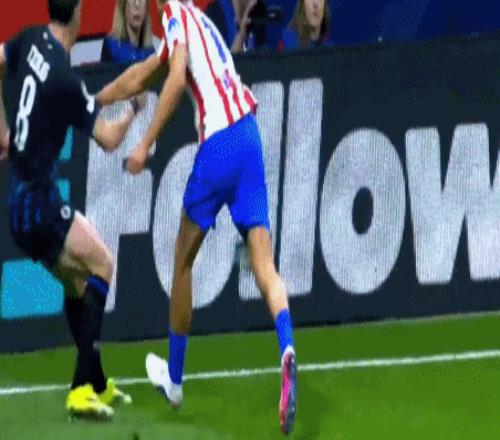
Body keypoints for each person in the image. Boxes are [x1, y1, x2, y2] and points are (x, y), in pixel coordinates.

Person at [96, 0, 297, 434]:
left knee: (182, 260)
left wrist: (144, 144)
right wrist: (96, 99)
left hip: (219, 143)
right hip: (249, 135)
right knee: (265, 265)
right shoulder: (198, 19)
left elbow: (172, 80)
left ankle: (174, 379)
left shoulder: (173, 14)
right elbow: (141, 75)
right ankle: (286, 347)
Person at [0, 0, 143, 419]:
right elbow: (109, 139)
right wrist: (132, 110)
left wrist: (3, 127)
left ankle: (95, 380)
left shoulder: (30, 38)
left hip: (18, 205)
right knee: (102, 264)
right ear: (78, 13)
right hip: (39, 205)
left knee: (77, 285)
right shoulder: (65, 78)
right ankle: (81, 387)